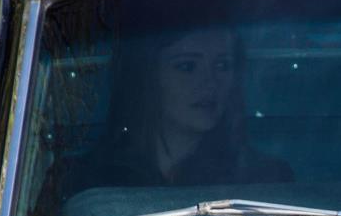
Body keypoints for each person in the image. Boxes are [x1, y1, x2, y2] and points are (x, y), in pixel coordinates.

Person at [72, 24, 291, 197]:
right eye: (187, 67)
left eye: (222, 65)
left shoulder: (264, 178)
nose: (210, 83)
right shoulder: (91, 179)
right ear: (148, 76)